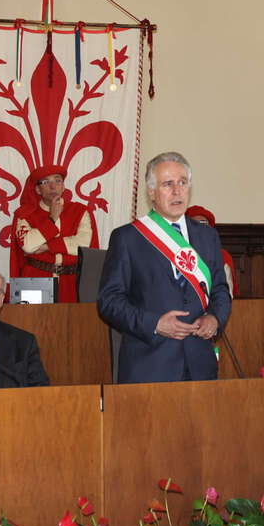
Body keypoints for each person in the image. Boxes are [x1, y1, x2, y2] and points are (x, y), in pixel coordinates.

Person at [98, 152, 232, 383]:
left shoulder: (207, 236)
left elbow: (220, 289)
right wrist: (155, 324)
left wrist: (215, 319)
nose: (177, 191)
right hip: (149, 366)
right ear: (151, 192)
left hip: (200, 364)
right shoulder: (128, 238)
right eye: (168, 184)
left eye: (183, 182)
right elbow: (109, 301)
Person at [9, 164, 98, 303]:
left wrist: (47, 246)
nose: (52, 186)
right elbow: (28, 245)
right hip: (34, 278)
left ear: (63, 186)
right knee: (30, 317)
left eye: (57, 180)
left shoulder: (80, 211)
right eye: (45, 182)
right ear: (38, 189)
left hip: (71, 281)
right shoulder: (25, 214)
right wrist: (52, 219)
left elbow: (84, 244)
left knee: (73, 317)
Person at [185, 205, 238, 297]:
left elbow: (227, 292)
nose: (200, 228)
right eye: (194, 223)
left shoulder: (223, 256)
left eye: (203, 223)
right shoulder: (178, 252)